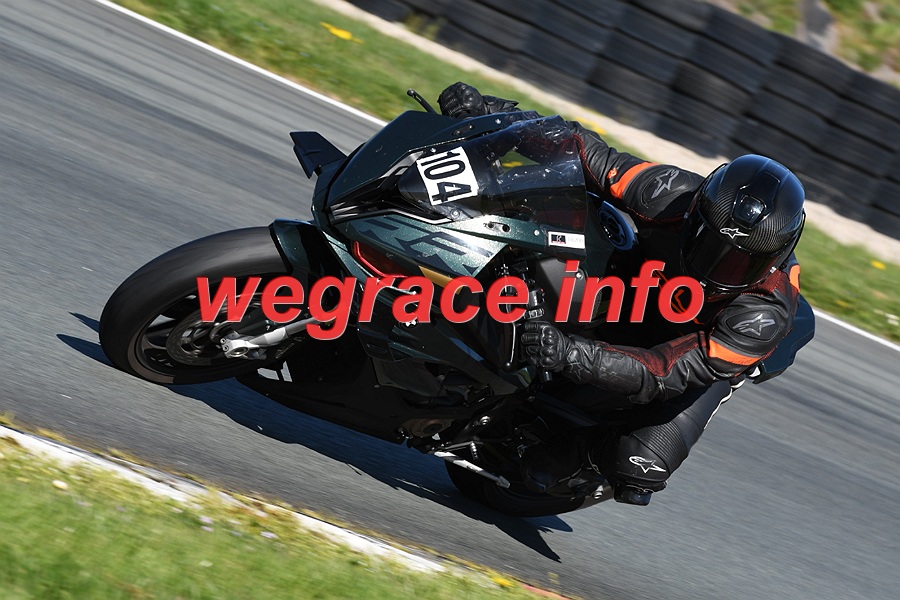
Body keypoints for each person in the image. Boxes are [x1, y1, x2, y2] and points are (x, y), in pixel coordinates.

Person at [437, 82, 808, 506]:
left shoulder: (762, 315)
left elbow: (662, 371)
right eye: (710, 246)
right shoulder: (670, 192)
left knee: (641, 461)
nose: (716, 268)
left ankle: (585, 454)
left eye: (739, 263)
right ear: (695, 214)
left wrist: (567, 354)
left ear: (775, 258)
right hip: (638, 287)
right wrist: (490, 114)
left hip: (693, 351)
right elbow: (583, 151)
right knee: (562, 213)